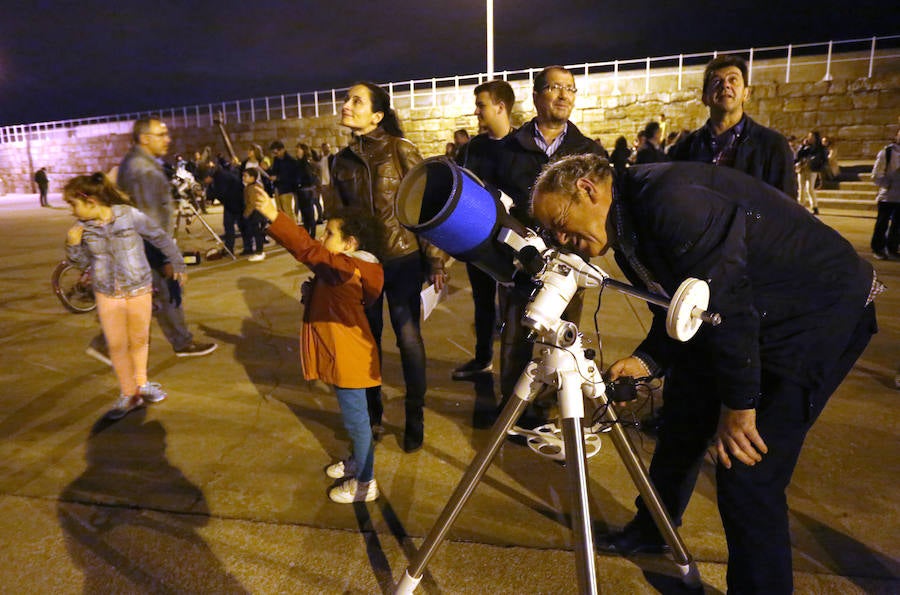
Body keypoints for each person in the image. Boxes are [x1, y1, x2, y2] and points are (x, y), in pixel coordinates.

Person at [530, 154, 879, 595]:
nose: (560, 238)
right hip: (751, 316)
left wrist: (739, 406)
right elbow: (682, 305)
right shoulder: (628, 220)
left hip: (814, 319)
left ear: (587, 188)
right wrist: (647, 360)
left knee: (746, 471)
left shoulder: (671, 203)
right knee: (683, 415)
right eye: (550, 232)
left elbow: (727, 304)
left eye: (560, 222)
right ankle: (654, 529)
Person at [331, 81, 448, 452]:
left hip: (403, 259)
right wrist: (330, 266)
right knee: (366, 344)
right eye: (347, 99)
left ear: (377, 114)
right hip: (363, 265)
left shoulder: (401, 150)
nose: (346, 105)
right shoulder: (340, 161)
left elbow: (425, 206)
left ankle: (415, 416)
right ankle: (373, 415)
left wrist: (434, 258)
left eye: (356, 100)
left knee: (409, 339)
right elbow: (337, 220)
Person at [252, 191, 387, 503]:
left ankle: (366, 482)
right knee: (356, 418)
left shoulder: (345, 269)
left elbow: (308, 250)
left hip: (349, 358)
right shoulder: (350, 267)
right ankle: (358, 462)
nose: (322, 237)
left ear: (350, 244)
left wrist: (275, 216)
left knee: (357, 421)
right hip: (345, 353)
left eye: (329, 234)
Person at [493, 65, 605, 422]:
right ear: (536, 95)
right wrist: (519, 246)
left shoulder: (588, 151)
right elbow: (497, 202)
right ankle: (512, 411)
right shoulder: (510, 148)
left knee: (561, 340)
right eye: (555, 88)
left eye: (570, 89)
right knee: (515, 336)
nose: (563, 96)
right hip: (519, 261)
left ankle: (555, 411)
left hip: (567, 266)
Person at [64, 173, 187, 419]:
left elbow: (160, 238)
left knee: (139, 340)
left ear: (91, 201)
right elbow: (82, 263)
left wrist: (178, 263)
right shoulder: (82, 230)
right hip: (107, 292)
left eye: (73, 204)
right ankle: (129, 393)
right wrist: (72, 246)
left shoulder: (128, 216)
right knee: (118, 345)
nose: (72, 211)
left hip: (138, 287)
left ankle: (142, 384)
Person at [109, 116, 217, 360]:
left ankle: (113, 343)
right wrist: (166, 257)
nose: (167, 139)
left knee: (151, 298)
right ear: (145, 138)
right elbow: (149, 220)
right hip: (149, 248)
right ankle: (181, 342)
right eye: (161, 134)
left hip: (139, 247)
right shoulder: (144, 169)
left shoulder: (135, 162)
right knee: (167, 293)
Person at [451, 79, 516, 381]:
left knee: (516, 311)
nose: (476, 112)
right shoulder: (472, 148)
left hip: (512, 243)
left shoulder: (523, 146)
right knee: (482, 303)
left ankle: (517, 376)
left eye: (481, 105)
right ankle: (482, 359)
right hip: (478, 240)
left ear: (501, 107)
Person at [669, 55, 796, 196]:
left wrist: (752, 218)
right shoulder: (683, 150)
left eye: (733, 80)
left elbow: (785, 209)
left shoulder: (773, 146)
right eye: (717, 81)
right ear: (705, 97)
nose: (725, 85)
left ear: (746, 94)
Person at [198, 162, 248, 257]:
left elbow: (220, 192)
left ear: (208, 176)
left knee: (242, 226)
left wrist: (206, 195)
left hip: (238, 202)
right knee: (228, 226)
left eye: (205, 180)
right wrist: (209, 198)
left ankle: (248, 247)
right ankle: (229, 249)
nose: (205, 182)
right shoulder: (215, 178)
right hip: (229, 204)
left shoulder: (222, 177)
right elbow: (212, 191)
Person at [870, 126, 900, 260]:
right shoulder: (887, 152)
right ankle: (878, 248)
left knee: (897, 225)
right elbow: (876, 175)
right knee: (882, 223)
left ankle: (892, 248)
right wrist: (890, 182)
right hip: (887, 196)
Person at [795, 130, 828, 214]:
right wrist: (802, 146)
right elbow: (798, 156)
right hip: (802, 168)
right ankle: (800, 206)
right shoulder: (805, 146)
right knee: (801, 188)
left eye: (812, 136)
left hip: (812, 169)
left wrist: (820, 167)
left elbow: (824, 159)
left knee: (810, 188)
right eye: (809, 136)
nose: (810, 138)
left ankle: (814, 206)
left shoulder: (820, 148)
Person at [241, 167, 269, 261]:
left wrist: (246, 214)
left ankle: (259, 252)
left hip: (256, 214)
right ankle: (259, 251)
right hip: (258, 213)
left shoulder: (252, 188)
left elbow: (252, 203)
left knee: (257, 233)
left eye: (246, 176)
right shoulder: (254, 186)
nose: (243, 178)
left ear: (252, 178)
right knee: (258, 233)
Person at [268, 140, 299, 223]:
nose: (276, 155)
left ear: (282, 150)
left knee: (288, 211)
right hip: (277, 188)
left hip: (286, 189)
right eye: (274, 153)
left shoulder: (291, 161)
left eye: (276, 152)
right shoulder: (276, 160)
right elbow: (274, 171)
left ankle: (293, 230)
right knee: (280, 211)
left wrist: (278, 178)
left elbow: (291, 176)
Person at [295, 142, 319, 238]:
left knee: (309, 214)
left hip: (306, 191)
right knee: (305, 215)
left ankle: (311, 235)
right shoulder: (299, 162)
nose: (296, 151)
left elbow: (309, 177)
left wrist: (300, 182)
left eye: (298, 149)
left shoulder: (305, 163)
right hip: (302, 191)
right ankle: (307, 234)